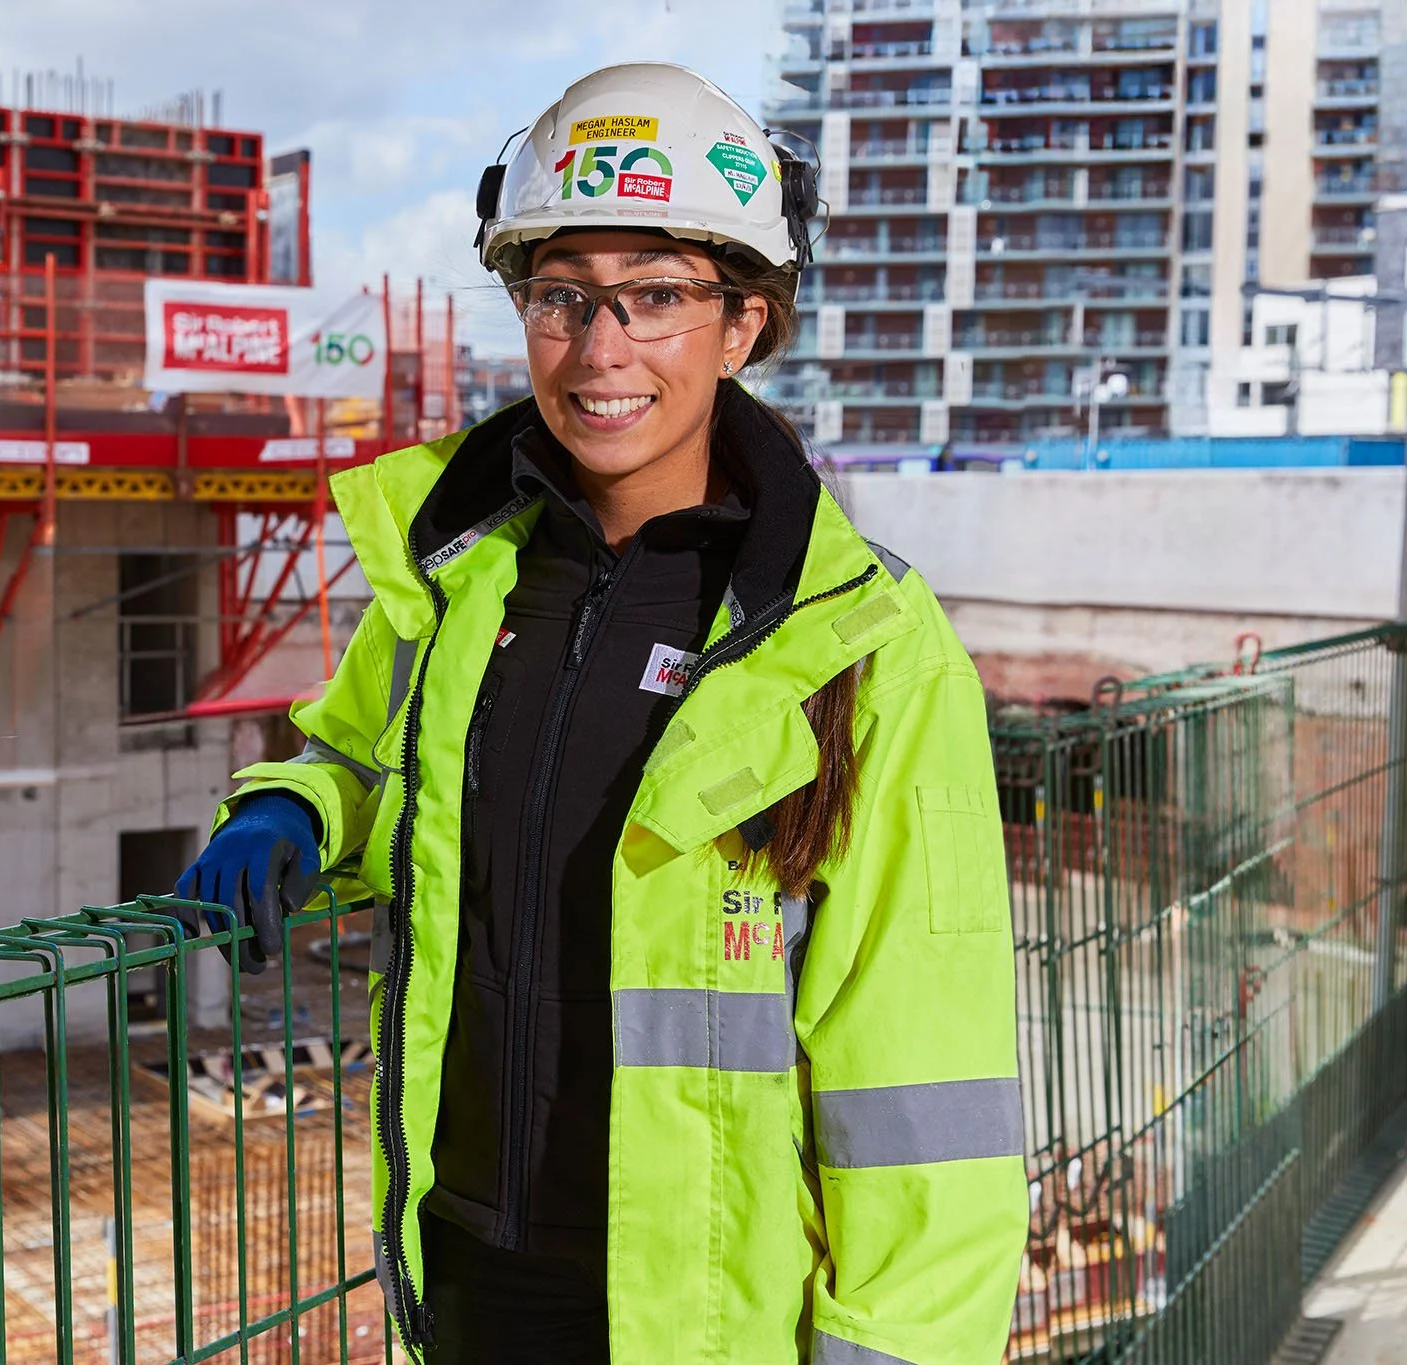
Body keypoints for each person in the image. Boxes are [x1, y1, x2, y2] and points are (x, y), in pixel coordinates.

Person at [173, 62, 1027, 1365]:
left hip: (696, 1321)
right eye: (563, 295)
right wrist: (289, 805)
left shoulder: (860, 649)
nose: (602, 348)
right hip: (457, 1273)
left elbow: (922, 1086)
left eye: (658, 297)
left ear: (745, 321)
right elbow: (358, 754)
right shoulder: (460, 580)